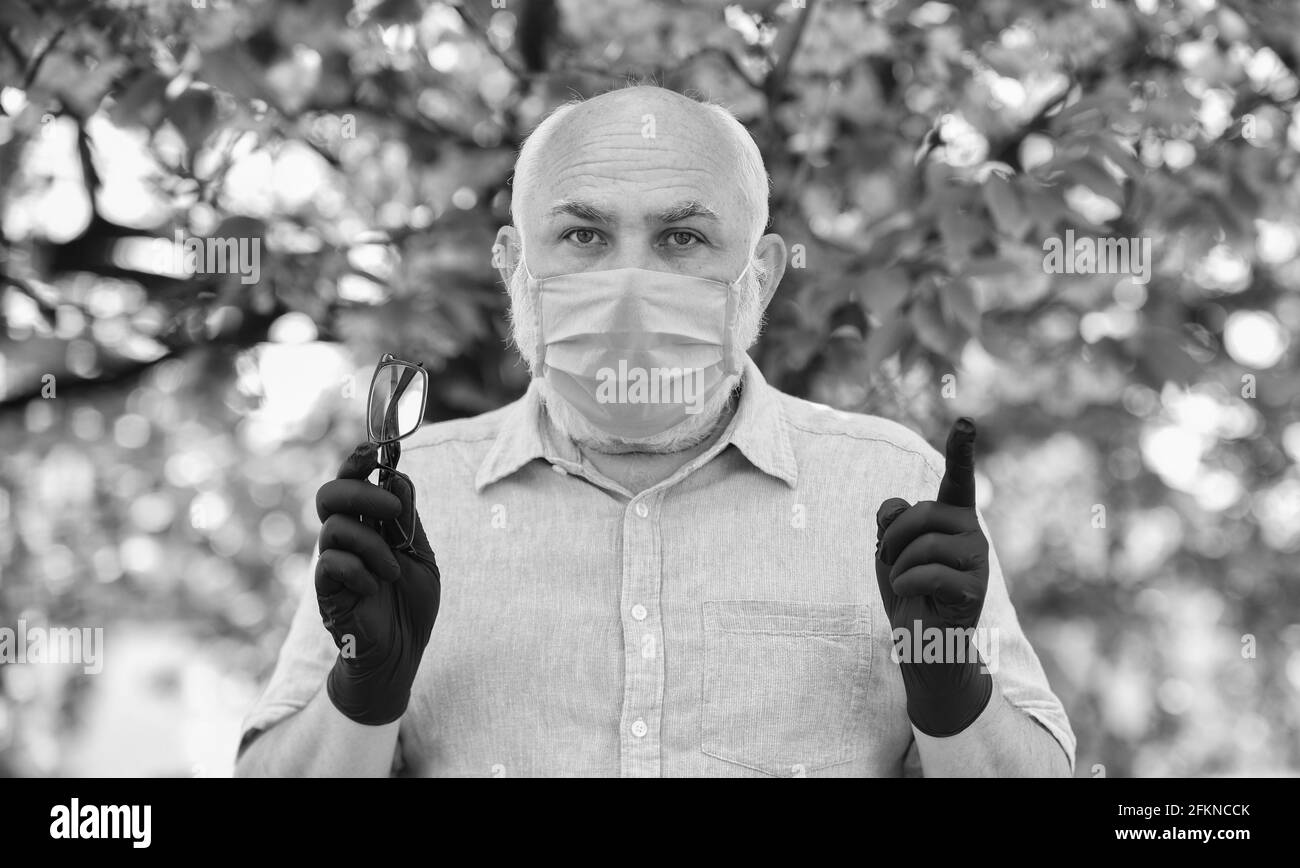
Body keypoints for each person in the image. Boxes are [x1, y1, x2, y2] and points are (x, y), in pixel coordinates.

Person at [235, 85, 1075, 777]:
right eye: (583, 235)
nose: (629, 283)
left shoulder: (888, 485)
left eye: (681, 237)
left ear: (764, 275)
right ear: (511, 266)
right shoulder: (411, 504)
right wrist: (361, 689)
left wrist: (953, 693)